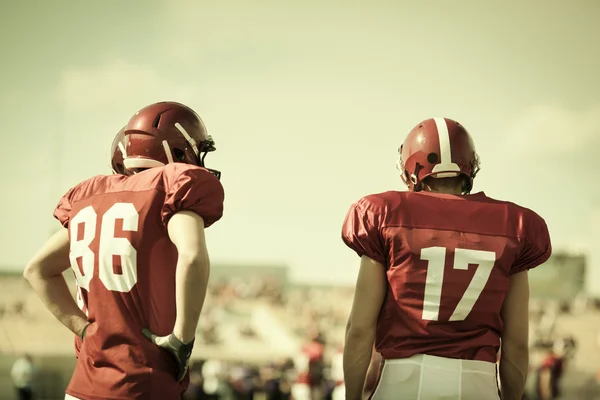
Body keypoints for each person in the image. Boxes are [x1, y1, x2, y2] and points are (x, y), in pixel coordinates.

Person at [23, 101, 225, 400]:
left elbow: (36, 270)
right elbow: (192, 255)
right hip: (142, 383)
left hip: (82, 386)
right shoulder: (172, 186)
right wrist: (182, 339)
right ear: (180, 150)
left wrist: (82, 329)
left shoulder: (88, 196)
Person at [341, 117, 552, 400]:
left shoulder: (384, 213)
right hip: (479, 383)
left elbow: (359, 329)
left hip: (405, 380)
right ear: (470, 165)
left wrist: (352, 396)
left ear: (410, 168)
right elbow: (516, 343)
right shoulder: (515, 225)